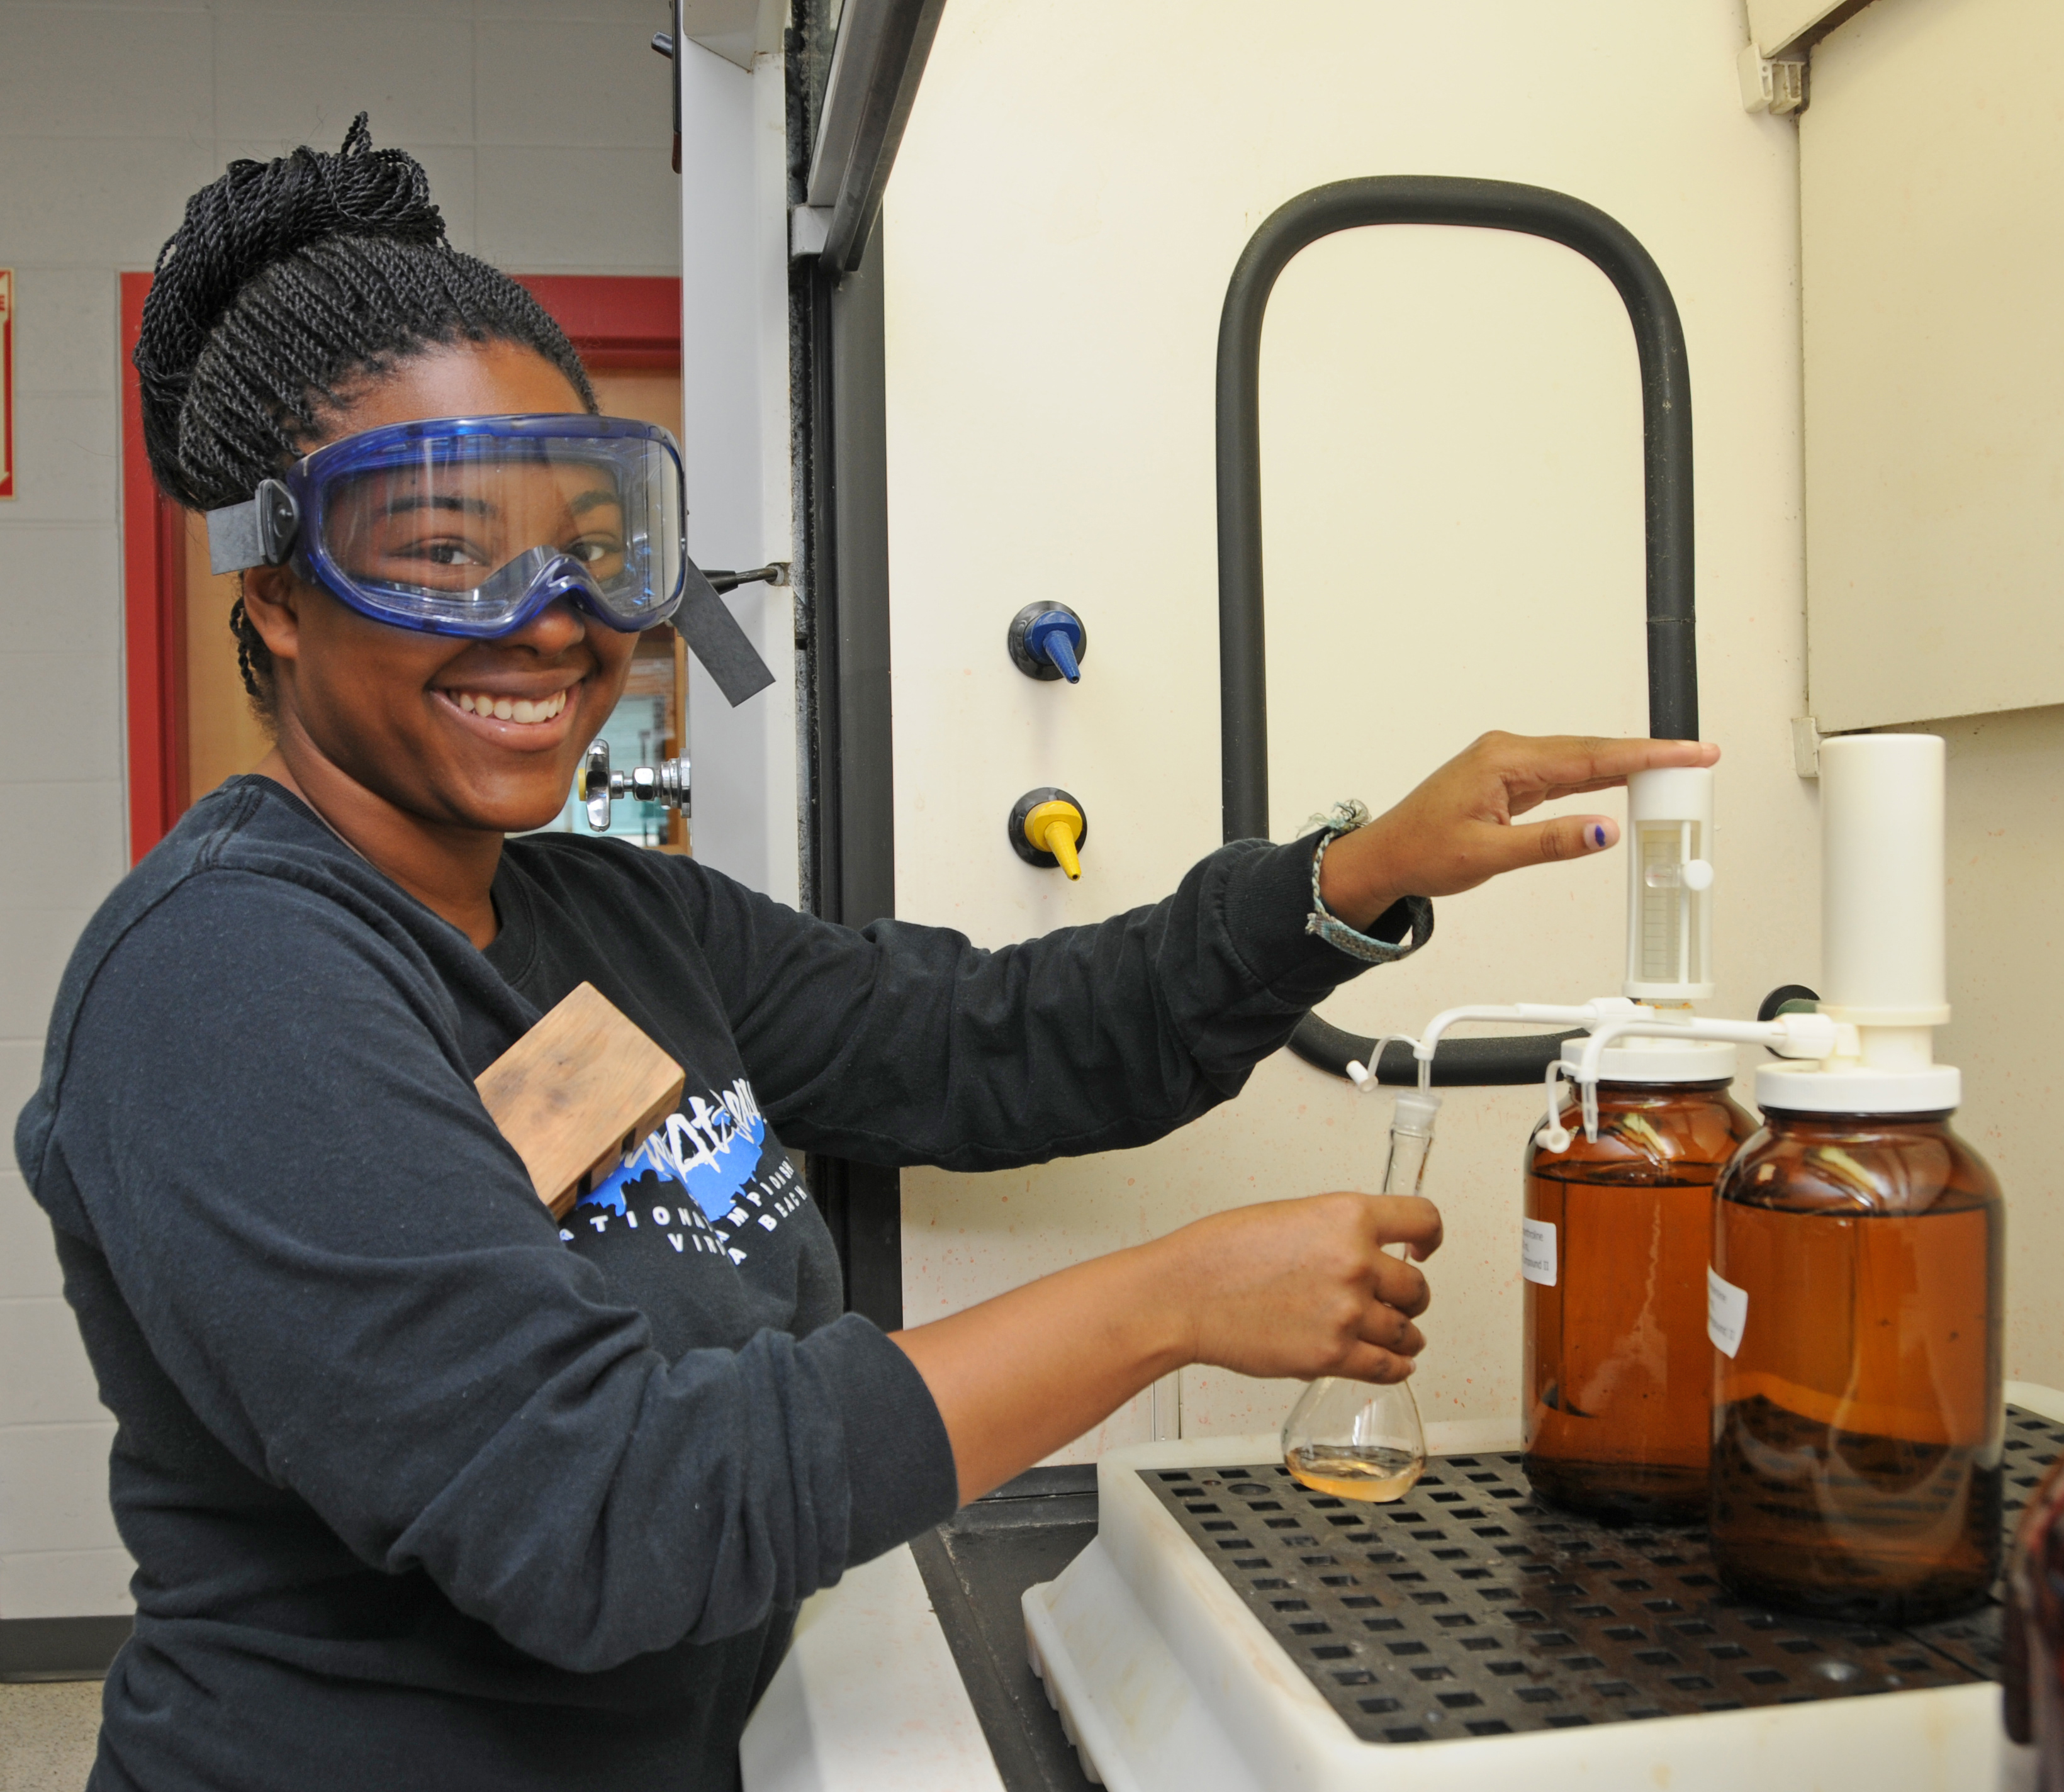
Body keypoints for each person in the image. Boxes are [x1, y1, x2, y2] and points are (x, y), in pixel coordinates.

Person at [14, 121, 1717, 1792]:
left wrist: (1351, 874)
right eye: (441, 550)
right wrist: (1172, 1300)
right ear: (277, 593)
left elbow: (991, 1037)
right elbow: (605, 1515)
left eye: (590, 545)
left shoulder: (613, 916)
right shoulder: (223, 986)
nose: (547, 618)